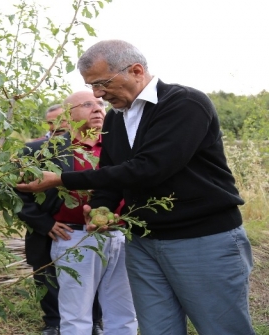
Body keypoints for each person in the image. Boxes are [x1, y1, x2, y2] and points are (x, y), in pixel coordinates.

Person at [17, 40, 254, 335]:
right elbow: (110, 170)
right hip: (143, 241)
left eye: (102, 84)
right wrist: (100, 206)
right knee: (158, 329)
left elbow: (149, 168)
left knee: (220, 327)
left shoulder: (184, 104)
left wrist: (62, 180)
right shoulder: (117, 119)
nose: (97, 94)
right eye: (91, 87)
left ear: (136, 70)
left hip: (201, 238)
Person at [48, 91, 135, 335]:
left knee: (124, 311)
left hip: (121, 234)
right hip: (75, 237)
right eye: (88, 104)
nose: (98, 109)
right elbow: (23, 193)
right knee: (77, 315)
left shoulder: (120, 147)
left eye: (100, 104)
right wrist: (44, 223)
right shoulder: (49, 151)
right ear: (67, 116)